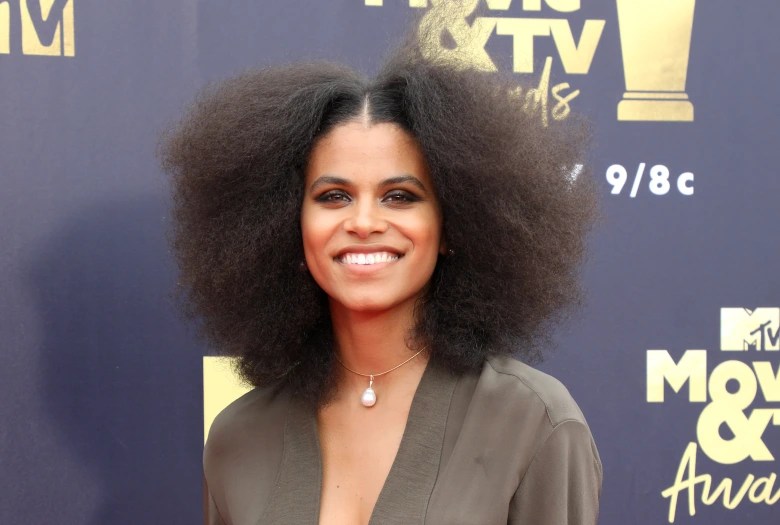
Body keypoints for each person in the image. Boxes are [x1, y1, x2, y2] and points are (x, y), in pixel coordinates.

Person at [161, 18, 601, 525]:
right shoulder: (238, 436)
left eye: (400, 196)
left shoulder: (534, 423)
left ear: (455, 224)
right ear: (285, 224)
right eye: (333, 197)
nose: (364, 222)